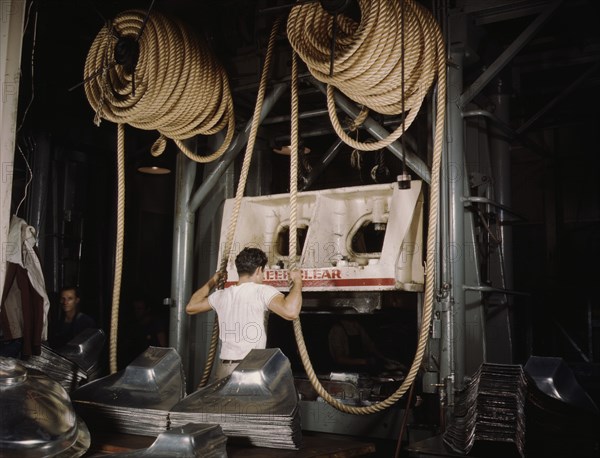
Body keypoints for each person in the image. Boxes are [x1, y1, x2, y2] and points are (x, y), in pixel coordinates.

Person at [186, 247, 303, 380]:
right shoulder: (262, 291)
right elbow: (291, 312)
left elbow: (191, 307)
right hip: (248, 369)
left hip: (224, 369)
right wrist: (298, 282)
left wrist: (214, 279)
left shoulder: (222, 295)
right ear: (259, 270)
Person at [328, 317, 404, 374]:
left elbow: (370, 346)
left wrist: (386, 360)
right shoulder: (337, 329)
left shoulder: (356, 325)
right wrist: (365, 361)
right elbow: (339, 359)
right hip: (344, 374)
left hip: (360, 372)